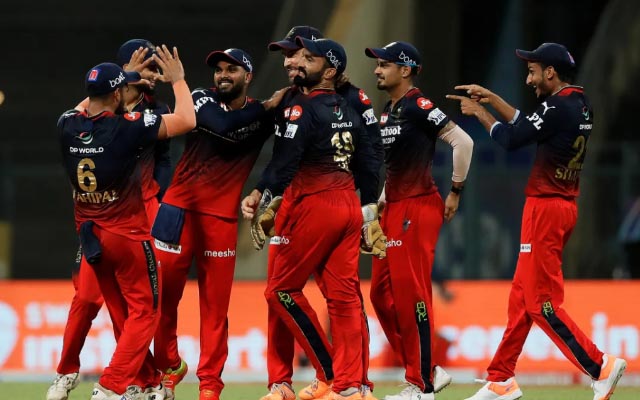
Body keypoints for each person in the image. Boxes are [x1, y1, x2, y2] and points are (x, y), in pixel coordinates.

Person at [446, 42, 627, 400]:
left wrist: (479, 113)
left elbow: (512, 139)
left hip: (546, 209)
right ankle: (501, 379)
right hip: (559, 206)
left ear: (551, 72)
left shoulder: (557, 106)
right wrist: (493, 99)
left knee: (540, 303)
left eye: (532, 72)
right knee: (521, 296)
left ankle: (599, 366)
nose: (528, 80)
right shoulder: (578, 103)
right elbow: (527, 125)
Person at [242, 37, 382, 400]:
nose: (296, 62)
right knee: (344, 299)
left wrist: (265, 198)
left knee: (280, 291)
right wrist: (368, 212)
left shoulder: (303, 107)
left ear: (329, 70)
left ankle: (331, 371)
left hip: (311, 203)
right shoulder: (346, 107)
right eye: (294, 55)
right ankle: (350, 387)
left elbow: (284, 162)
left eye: (307, 57)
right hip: (346, 203)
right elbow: (369, 161)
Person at [57, 45, 195, 400]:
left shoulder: (67, 125)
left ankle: (140, 381)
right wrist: (178, 80)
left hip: (90, 235)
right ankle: (111, 385)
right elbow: (187, 120)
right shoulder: (126, 128)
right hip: (127, 233)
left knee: (118, 308)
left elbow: (84, 106)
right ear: (118, 94)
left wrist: (122, 77)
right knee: (145, 311)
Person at [151, 48, 282, 400]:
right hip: (177, 212)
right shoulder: (201, 98)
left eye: (232, 69)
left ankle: (210, 385)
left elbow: (284, 154)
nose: (223, 75)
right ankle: (169, 367)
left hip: (220, 219)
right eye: (219, 69)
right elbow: (223, 125)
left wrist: (261, 189)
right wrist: (267, 107)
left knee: (215, 310)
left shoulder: (263, 115)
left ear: (248, 76)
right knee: (162, 301)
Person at [364, 41, 474, 400]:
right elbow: (395, 167)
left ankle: (422, 384)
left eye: (384, 64)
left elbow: (463, 142)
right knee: (380, 296)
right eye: (378, 64)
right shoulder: (388, 109)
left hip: (417, 207)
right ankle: (426, 370)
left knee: (412, 295)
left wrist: (456, 190)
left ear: (405, 70)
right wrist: (381, 203)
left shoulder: (418, 105)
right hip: (395, 207)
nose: (378, 70)